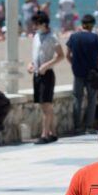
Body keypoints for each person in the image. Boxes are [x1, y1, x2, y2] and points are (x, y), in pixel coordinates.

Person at [27, 11, 63, 144]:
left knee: (46, 105)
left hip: (46, 74)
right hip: (37, 73)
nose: (34, 26)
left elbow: (60, 55)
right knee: (43, 105)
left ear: (43, 24)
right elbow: (35, 55)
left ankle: (45, 134)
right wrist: (31, 65)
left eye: (36, 24)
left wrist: (46, 66)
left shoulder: (53, 37)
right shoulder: (36, 36)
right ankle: (52, 132)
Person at [66, 14, 98, 135]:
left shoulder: (73, 37)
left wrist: (73, 64)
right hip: (92, 73)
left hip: (78, 72)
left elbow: (68, 54)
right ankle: (89, 126)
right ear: (92, 25)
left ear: (81, 24)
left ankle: (78, 126)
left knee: (77, 98)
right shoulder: (95, 38)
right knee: (92, 99)